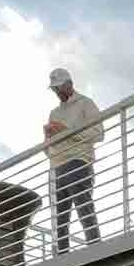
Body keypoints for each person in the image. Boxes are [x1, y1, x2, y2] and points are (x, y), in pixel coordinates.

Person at [43, 67, 104, 252]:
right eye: (54, 89)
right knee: (59, 216)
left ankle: (95, 247)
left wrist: (67, 131)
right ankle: (61, 255)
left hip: (78, 161)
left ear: (69, 84)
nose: (57, 92)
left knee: (83, 204)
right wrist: (47, 140)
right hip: (56, 165)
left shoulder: (86, 103)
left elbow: (99, 133)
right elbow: (49, 150)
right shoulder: (54, 113)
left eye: (59, 87)